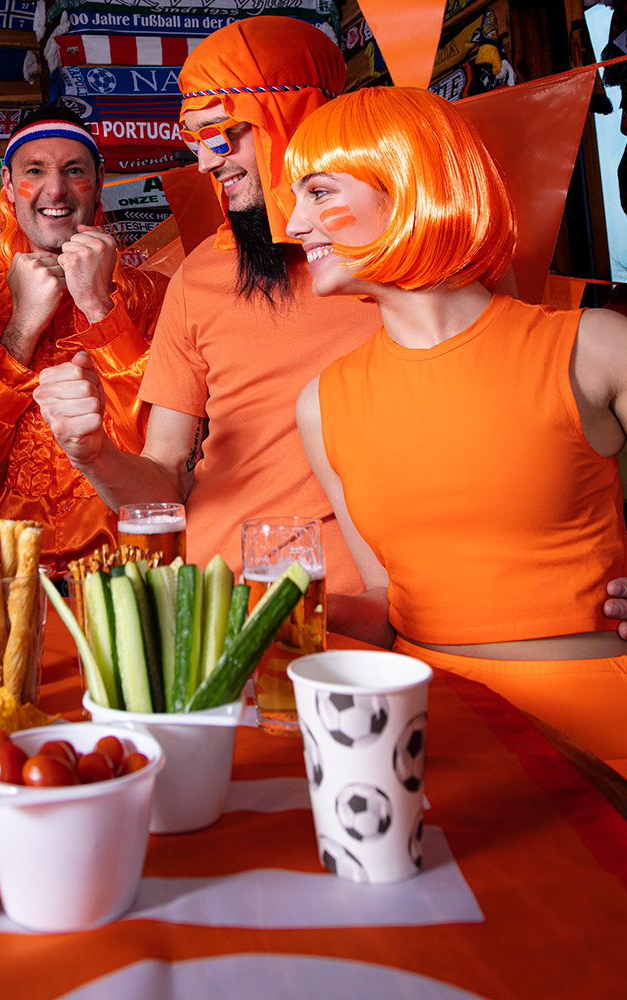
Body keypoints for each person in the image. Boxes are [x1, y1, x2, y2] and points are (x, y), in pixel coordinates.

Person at [285, 86, 627, 772]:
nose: (294, 223)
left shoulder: (596, 346)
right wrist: (291, 612)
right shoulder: (322, 403)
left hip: (600, 726)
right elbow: (388, 603)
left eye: (319, 192)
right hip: (428, 729)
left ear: (407, 184)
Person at [34, 17, 381, 613]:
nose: (204, 162)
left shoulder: (402, 259)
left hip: (354, 605)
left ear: (298, 119)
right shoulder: (199, 275)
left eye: (222, 133)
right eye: (194, 139)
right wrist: (93, 455)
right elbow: (164, 475)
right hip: (216, 600)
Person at [0, 106, 168, 572]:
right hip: (3, 578)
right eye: (35, 171)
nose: (55, 190)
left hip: (129, 571)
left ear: (99, 180)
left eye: (74, 170)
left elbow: (163, 458)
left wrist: (100, 307)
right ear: (7, 185)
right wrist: (20, 328)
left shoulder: (157, 297)